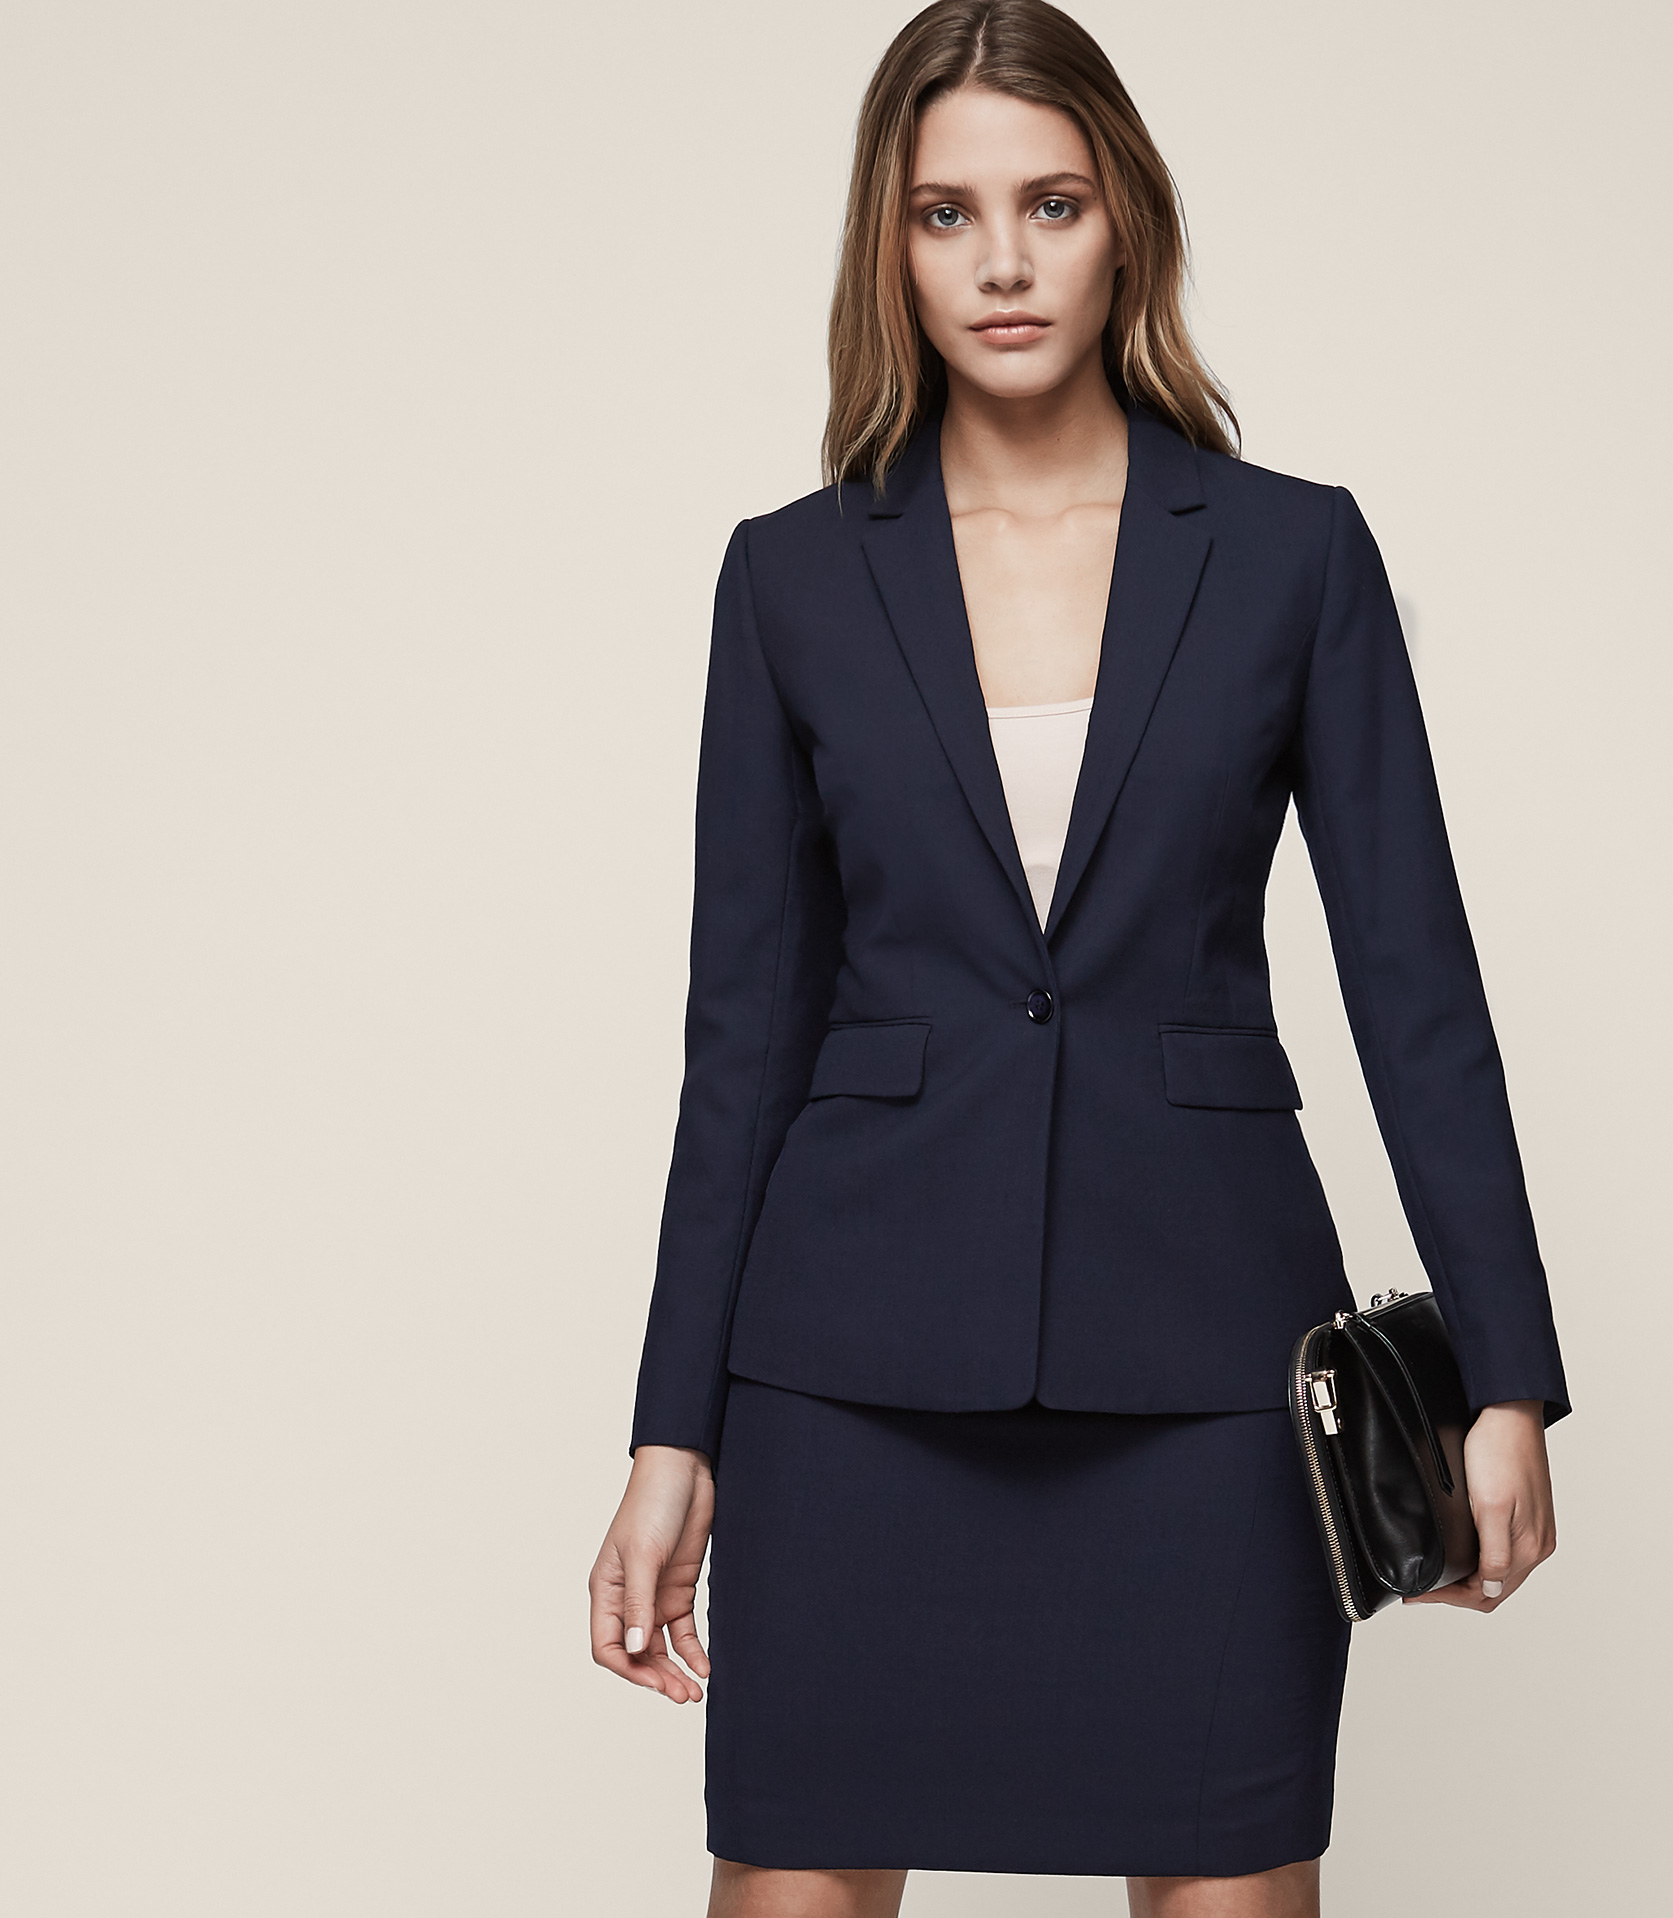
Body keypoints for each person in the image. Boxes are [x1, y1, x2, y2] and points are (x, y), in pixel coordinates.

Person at [588, 4, 1568, 1914]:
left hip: (1203, 1369)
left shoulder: (1290, 556)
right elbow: (744, 1038)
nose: (1003, 262)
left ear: (1126, 218)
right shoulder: (790, 575)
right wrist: (669, 1427)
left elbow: (1417, 989)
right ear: (889, 245)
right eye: (944, 213)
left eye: (1049, 203)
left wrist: (1506, 1375)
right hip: (847, 1372)